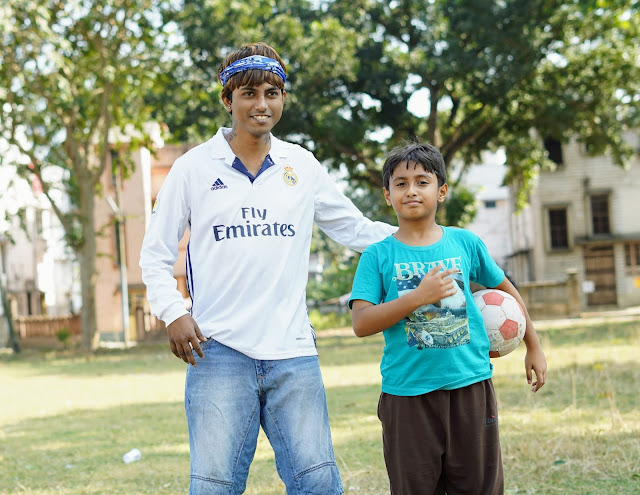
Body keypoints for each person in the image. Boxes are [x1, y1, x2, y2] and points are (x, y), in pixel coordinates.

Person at [139, 42, 395, 495]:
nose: (262, 104)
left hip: (292, 351)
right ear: (227, 99)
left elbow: (354, 229)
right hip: (217, 351)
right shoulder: (192, 168)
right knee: (213, 487)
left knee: (318, 484)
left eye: (273, 92)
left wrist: (428, 243)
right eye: (250, 93)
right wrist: (173, 312)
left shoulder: (302, 165)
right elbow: (155, 253)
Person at [349, 142, 547, 495]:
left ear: (441, 191)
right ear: (387, 195)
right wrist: (418, 297)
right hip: (407, 395)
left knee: (479, 487)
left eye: (422, 181)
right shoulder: (377, 256)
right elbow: (361, 323)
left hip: (470, 387)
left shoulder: (465, 243)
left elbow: (508, 292)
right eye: (401, 183)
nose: (411, 190)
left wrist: (534, 345)